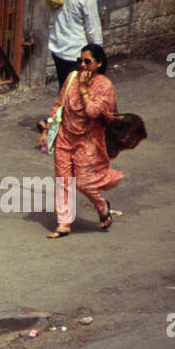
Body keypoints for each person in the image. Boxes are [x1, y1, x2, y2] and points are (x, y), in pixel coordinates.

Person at [41, 44, 122, 239]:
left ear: (99, 63)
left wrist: (84, 89)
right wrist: (47, 128)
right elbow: (59, 104)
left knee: (84, 182)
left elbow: (93, 111)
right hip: (64, 137)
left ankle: (102, 208)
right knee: (63, 180)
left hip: (88, 140)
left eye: (88, 61)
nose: (83, 65)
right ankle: (64, 223)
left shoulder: (105, 86)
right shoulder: (71, 78)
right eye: (81, 61)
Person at [48, 0, 103, 92]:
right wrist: (98, 55)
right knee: (78, 94)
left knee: (63, 90)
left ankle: (61, 113)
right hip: (76, 53)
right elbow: (93, 29)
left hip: (58, 48)